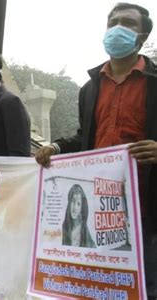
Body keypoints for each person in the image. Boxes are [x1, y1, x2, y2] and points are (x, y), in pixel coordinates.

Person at [34, 3, 156, 296]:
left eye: (127, 23)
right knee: (102, 282)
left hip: (147, 206)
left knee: (147, 285)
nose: (117, 28)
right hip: (99, 204)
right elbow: (84, 137)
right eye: (111, 22)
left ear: (142, 36)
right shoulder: (90, 88)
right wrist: (56, 146)